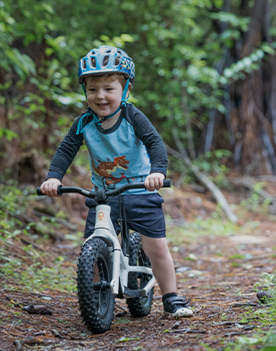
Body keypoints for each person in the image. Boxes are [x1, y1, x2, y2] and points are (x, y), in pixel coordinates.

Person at [38, 44, 195, 317]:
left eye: (109, 89)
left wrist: (157, 172)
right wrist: (53, 177)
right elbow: (65, 151)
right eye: (92, 90)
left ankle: (171, 297)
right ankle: (97, 295)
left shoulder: (132, 117)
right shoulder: (83, 123)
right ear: (85, 92)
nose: (100, 96)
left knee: (156, 247)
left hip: (140, 190)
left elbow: (154, 143)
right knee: (93, 246)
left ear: (125, 90)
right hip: (104, 197)